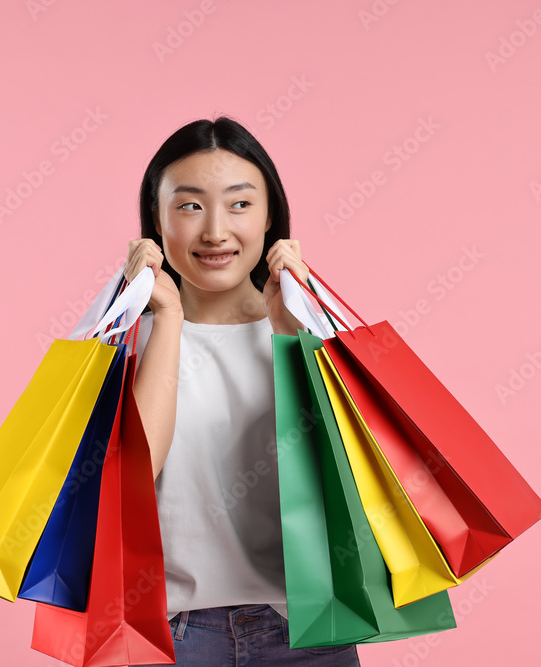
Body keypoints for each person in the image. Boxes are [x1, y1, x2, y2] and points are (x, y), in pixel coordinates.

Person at [123, 117, 361, 666]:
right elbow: (129, 475)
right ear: (155, 223)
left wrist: (291, 335)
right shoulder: (124, 340)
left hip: (307, 629)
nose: (214, 231)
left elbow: (352, 480)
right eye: (188, 206)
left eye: (239, 204)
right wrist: (168, 320)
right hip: (168, 636)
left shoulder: (314, 333)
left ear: (270, 214)